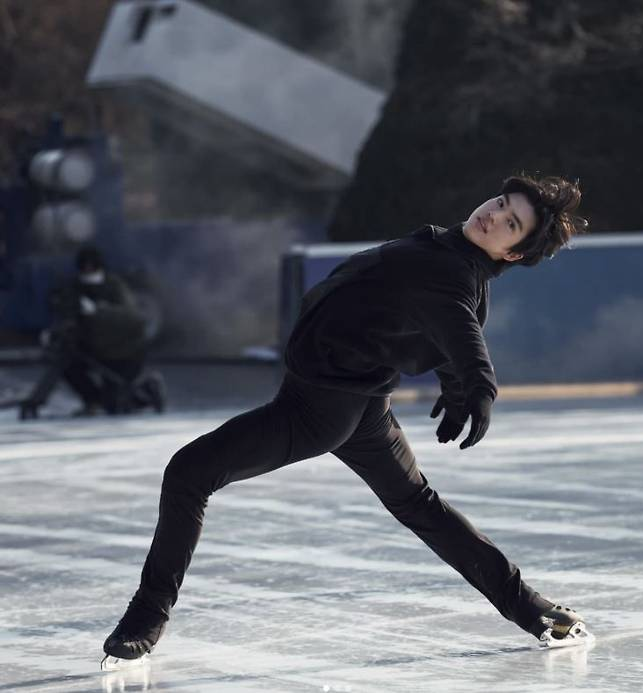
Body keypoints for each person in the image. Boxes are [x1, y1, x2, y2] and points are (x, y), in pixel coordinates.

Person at [102, 174, 591, 668]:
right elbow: (432, 319)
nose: (493, 214)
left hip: (316, 410)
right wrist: (454, 386)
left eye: (511, 223)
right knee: (419, 506)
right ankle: (534, 611)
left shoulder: (454, 272)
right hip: (363, 406)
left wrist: (478, 387)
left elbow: (461, 329)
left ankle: (147, 615)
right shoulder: (446, 250)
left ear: (512, 252)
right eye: (501, 202)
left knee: (188, 473)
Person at [23, 245, 164, 418]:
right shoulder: (75, 288)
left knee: (116, 405)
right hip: (96, 348)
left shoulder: (114, 286)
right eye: (85, 269)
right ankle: (93, 401)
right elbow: (66, 315)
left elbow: (131, 318)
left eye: (92, 268)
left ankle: (148, 389)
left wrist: (98, 311)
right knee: (68, 363)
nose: (88, 273)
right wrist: (54, 332)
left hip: (125, 352)